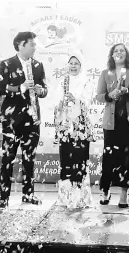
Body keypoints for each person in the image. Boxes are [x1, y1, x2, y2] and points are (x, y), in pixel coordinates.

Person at [0, 31, 48, 208]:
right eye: (32, 44)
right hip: (12, 119)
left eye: (35, 44)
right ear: (20, 45)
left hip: (32, 118)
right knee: (8, 158)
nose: (35, 47)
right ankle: (4, 197)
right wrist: (21, 87)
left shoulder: (38, 65)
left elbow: (45, 88)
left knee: (29, 159)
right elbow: (3, 88)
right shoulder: (7, 64)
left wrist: (41, 91)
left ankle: (28, 194)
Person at [96, 43, 129, 208]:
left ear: (127, 54)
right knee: (109, 156)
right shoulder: (105, 73)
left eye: (122, 50)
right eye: (116, 51)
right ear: (112, 55)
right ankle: (105, 190)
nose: (119, 53)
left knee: (128, 158)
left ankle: (124, 194)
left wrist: (128, 91)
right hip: (111, 122)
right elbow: (99, 96)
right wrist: (110, 95)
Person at [54, 52, 95, 209]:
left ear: (81, 66)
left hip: (80, 127)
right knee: (66, 161)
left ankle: (80, 198)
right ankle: (65, 198)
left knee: (80, 161)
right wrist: (59, 109)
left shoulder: (87, 82)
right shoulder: (62, 82)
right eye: (71, 63)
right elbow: (56, 105)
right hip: (65, 127)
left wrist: (74, 100)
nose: (73, 66)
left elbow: (87, 103)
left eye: (76, 63)